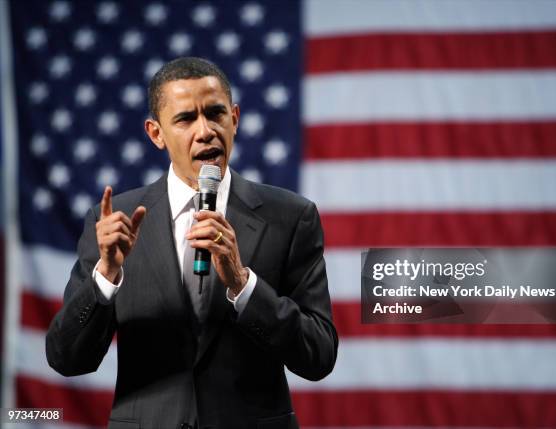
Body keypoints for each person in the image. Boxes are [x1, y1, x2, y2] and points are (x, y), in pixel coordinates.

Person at [46, 57, 338, 429]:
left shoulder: (291, 217)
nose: (205, 131)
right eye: (185, 119)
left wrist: (243, 285)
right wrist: (105, 277)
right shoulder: (112, 221)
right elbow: (66, 359)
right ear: (156, 133)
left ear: (234, 118)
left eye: (215, 113)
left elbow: (319, 356)